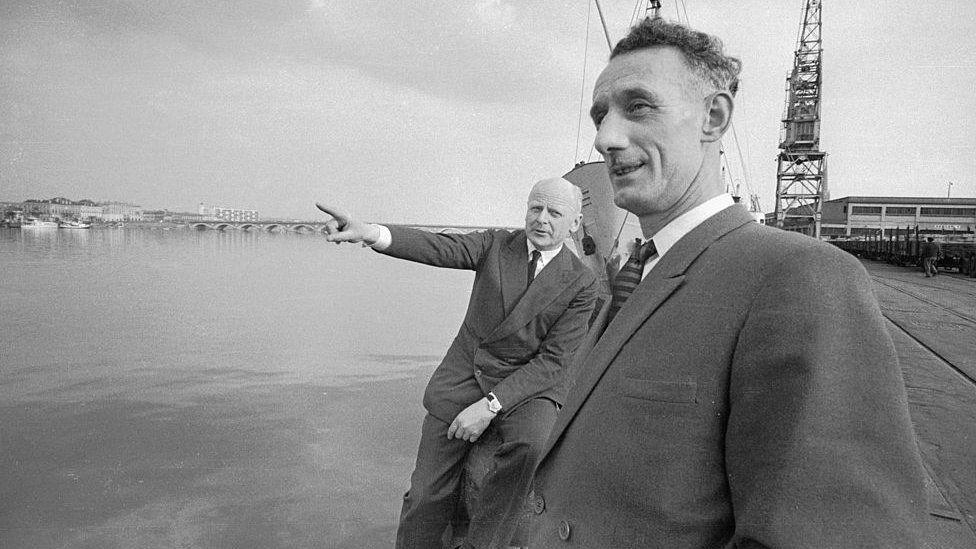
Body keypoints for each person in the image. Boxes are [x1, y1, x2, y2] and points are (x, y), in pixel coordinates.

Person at [527, 18, 928, 548]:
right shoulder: (637, 277)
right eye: (600, 115)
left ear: (713, 117)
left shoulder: (800, 278)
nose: (605, 137)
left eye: (638, 106)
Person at [316, 176, 597, 549]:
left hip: (526, 385)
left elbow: (553, 362)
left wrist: (490, 406)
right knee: (426, 495)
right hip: (466, 376)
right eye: (535, 208)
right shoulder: (496, 245)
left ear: (575, 224)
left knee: (533, 442)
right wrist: (369, 232)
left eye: (554, 212)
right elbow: (439, 246)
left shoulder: (581, 282)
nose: (542, 219)